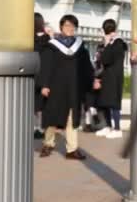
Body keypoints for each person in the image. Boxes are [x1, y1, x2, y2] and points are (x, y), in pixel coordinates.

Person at [37, 14, 94, 160]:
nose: (70, 28)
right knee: (51, 116)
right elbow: (46, 66)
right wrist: (44, 85)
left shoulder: (80, 46)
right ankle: (48, 144)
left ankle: (72, 149)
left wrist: (91, 80)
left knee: (72, 117)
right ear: (61, 27)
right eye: (67, 25)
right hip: (55, 87)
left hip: (73, 87)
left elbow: (86, 66)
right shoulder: (52, 45)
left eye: (72, 26)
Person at [93, 19, 128, 139]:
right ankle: (108, 126)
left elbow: (106, 59)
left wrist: (107, 44)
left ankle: (117, 128)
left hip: (115, 77)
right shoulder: (110, 43)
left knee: (114, 103)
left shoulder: (118, 43)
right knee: (105, 102)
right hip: (106, 76)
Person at [34, 12, 51, 139]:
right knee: (42, 105)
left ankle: (35, 127)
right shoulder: (48, 40)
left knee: (34, 104)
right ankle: (41, 127)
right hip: (44, 75)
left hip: (33, 74)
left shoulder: (30, 40)